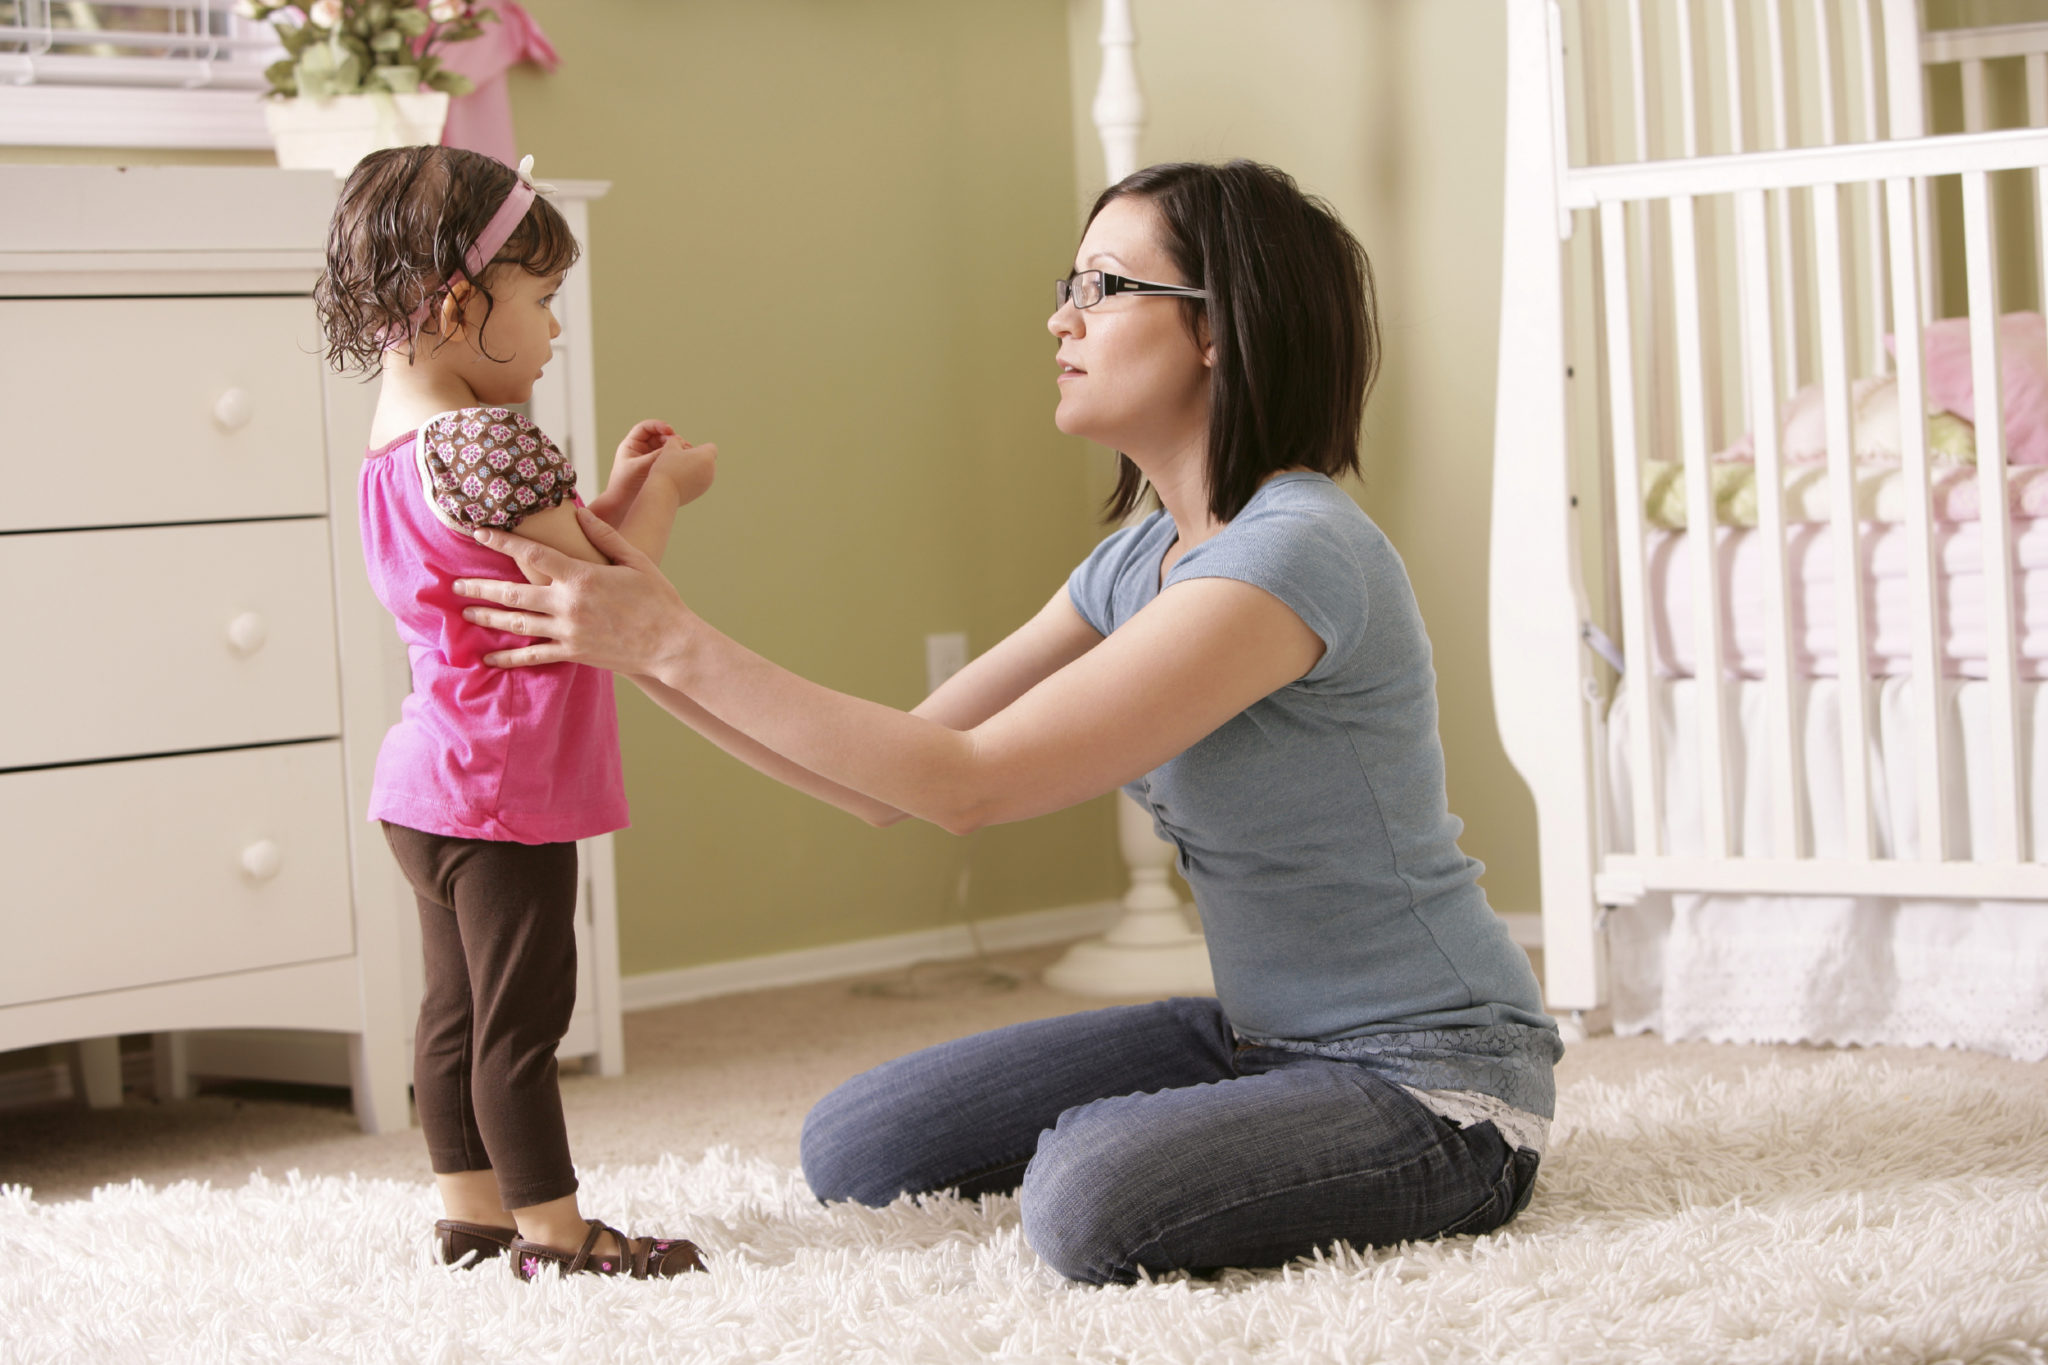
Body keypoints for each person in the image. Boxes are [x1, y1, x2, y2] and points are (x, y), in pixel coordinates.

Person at [451, 159, 1563, 1285]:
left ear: (1219, 330)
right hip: (1259, 1036)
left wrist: (666, 639)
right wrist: (635, 636)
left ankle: (1325, 1143)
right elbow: (883, 785)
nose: (1058, 317)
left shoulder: (1291, 554)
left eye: (1102, 286)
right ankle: (1246, 1117)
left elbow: (967, 784)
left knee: (1088, 1197)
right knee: (861, 1146)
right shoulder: (1136, 559)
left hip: (1434, 1079)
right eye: (1067, 282)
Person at [315, 145, 716, 1281]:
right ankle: (555, 1231)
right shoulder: (492, 442)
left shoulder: (395, 448)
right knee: (521, 1022)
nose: (551, 333)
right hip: (508, 790)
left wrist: (625, 492)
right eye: (541, 303)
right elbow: (610, 594)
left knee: (453, 1011)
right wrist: (674, 493)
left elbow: (553, 549)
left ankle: (470, 1214)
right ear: (457, 303)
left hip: (426, 783)